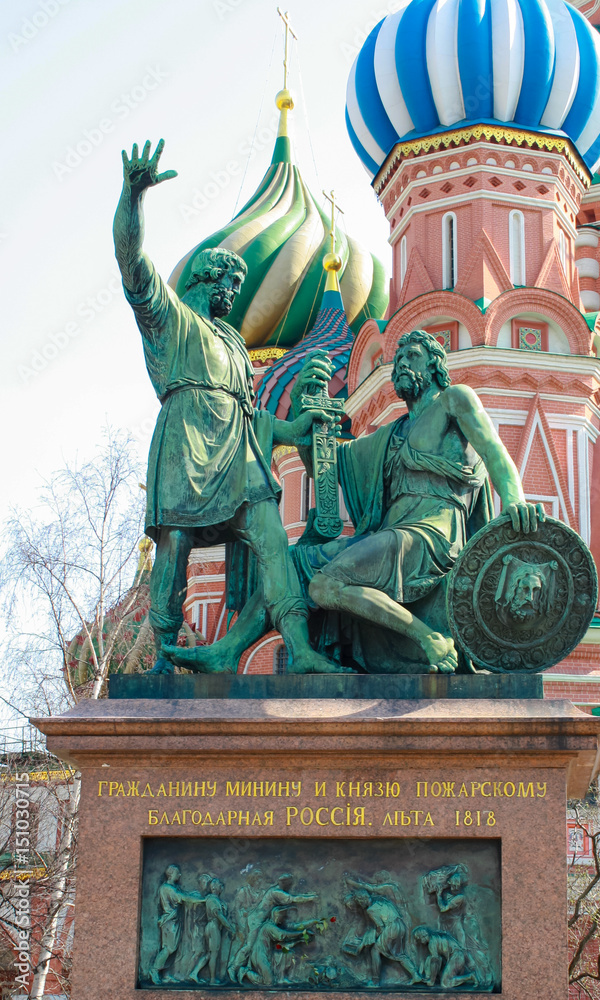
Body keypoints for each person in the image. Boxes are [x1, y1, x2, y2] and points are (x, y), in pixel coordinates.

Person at [168, 330, 544, 674]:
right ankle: (227, 652)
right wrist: (304, 411)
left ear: (434, 364)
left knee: (325, 585)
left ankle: (429, 638)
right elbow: (324, 469)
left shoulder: (454, 400)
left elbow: (495, 453)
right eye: (396, 360)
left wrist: (514, 499)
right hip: (394, 535)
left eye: (411, 356)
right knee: (293, 562)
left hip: (434, 536)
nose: (400, 365)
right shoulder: (390, 434)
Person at [113, 139, 339, 674]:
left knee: (272, 545)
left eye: (238, 286)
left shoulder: (236, 344)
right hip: (186, 445)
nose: (233, 296)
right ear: (203, 280)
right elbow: (131, 263)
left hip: (238, 455)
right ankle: (164, 659)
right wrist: (133, 198)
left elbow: (253, 416)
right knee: (175, 549)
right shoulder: (171, 320)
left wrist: (292, 427)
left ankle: (301, 649)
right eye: (228, 284)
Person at [228, 873, 318, 981]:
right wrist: (311, 898)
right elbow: (294, 899)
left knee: (259, 946)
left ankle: (255, 969)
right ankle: (233, 968)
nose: (290, 887)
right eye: (289, 884)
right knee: (249, 946)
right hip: (256, 921)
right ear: (285, 883)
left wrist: (307, 895)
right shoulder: (276, 892)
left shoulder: (277, 890)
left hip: (261, 921)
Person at [342, 888, 421, 986]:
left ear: (362, 900)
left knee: (375, 951)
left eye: (359, 903)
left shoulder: (371, 910)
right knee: (399, 954)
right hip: (400, 925)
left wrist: (370, 937)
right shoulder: (379, 900)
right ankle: (416, 975)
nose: (360, 906)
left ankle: (375, 981)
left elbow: (380, 928)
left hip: (391, 928)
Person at [239, 907, 322, 986]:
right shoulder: (269, 927)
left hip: (266, 954)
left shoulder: (276, 926)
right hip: (259, 955)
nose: (281, 919)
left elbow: (297, 927)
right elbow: (283, 935)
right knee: (269, 981)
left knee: (287, 956)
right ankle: (245, 972)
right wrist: (302, 933)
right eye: (281, 917)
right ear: (276, 916)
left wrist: (312, 923)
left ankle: (281, 978)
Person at [149, 864, 203, 985]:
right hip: (169, 922)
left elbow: (185, 893)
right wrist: (202, 900)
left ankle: (166, 975)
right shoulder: (167, 888)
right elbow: (183, 898)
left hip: (176, 921)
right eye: (177, 873)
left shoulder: (174, 887)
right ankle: (154, 970)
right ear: (171, 874)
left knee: (174, 948)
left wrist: (194, 894)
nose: (179, 875)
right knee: (169, 948)